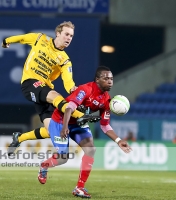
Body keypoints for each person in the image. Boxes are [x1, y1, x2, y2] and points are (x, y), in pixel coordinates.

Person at [2, 21, 100, 156]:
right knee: (54, 95)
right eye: (66, 34)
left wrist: (73, 90)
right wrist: (6, 41)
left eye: (71, 36)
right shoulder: (40, 39)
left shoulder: (65, 60)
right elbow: (23, 38)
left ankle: (19, 138)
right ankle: (81, 116)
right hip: (30, 83)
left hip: (44, 91)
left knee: (50, 130)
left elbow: (68, 82)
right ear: (58, 34)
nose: (69, 38)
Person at [37, 66, 132, 198]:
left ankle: (79, 188)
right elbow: (69, 108)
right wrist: (65, 127)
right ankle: (44, 165)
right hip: (60, 121)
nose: (110, 81)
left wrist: (118, 140)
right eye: (106, 78)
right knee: (63, 158)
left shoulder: (106, 100)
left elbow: (105, 126)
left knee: (91, 150)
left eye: (111, 79)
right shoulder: (85, 89)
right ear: (97, 79)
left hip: (77, 124)